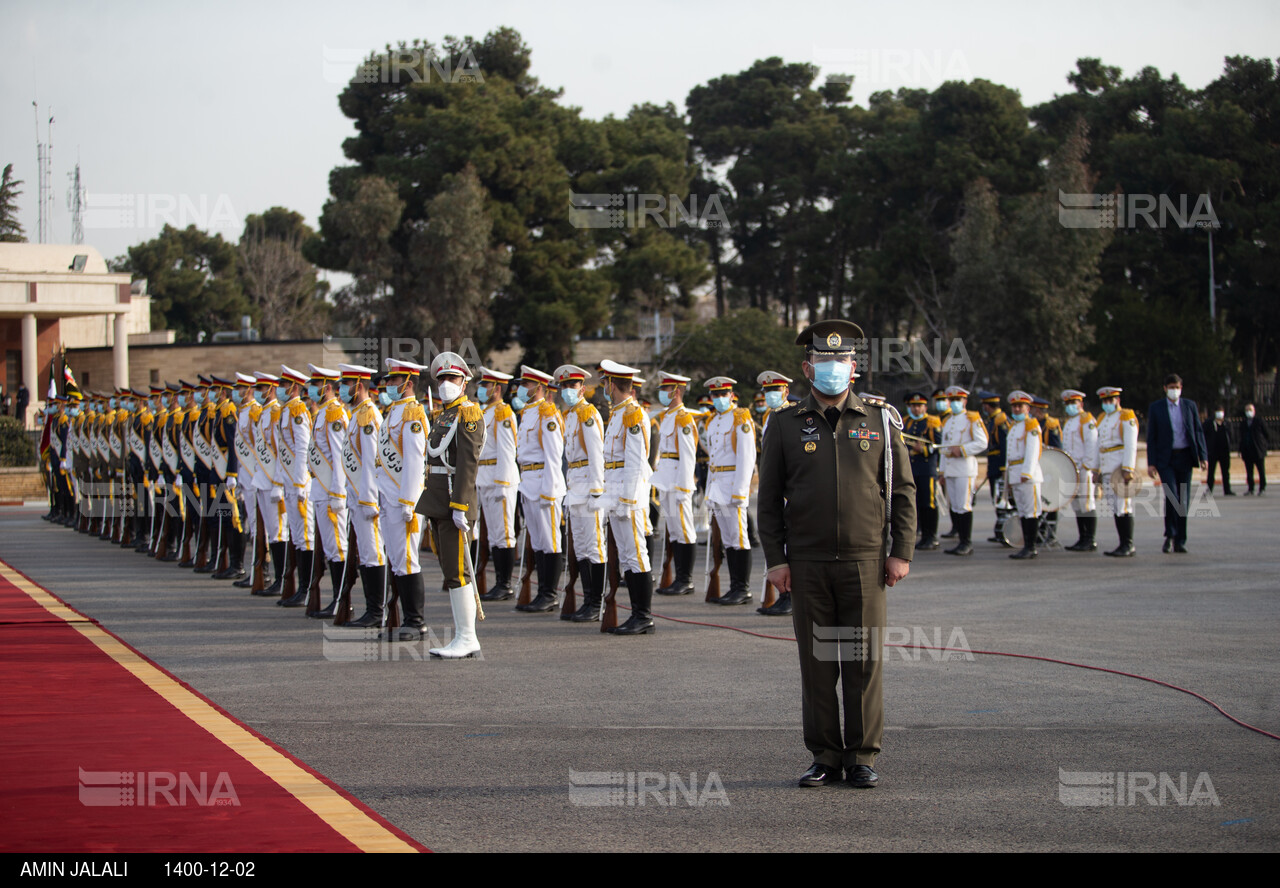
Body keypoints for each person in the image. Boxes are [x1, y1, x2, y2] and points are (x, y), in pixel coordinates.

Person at [758, 319, 915, 789]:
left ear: (854, 369)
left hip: (867, 561)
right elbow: (768, 501)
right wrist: (776, 559)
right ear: (809, 368)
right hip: (805, 563)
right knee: (818, 663)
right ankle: (825, 755)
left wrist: (900, 551)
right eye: (824, 362)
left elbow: (902, 490)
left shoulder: (880, 420)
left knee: (863, 663)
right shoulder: (784, 424)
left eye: (841, 361)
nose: (833, 369)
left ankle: (862, 755)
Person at [416, 353, 485, 659]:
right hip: (438, 499)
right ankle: (461, 635)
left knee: (458, 571)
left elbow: (468, 464)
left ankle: (467, 637)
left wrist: (460, 505)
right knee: (449, 569)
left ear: (464, 382)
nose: (445, 384)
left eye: (452, 379)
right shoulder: (443, 416)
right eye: (441, 379)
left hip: (453, 500)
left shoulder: (468, 414)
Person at [598, 360, 655, 636]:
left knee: (635, 554)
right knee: (626, 555)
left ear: (612, 384)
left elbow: (634, 462)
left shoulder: (633, 414)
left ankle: (643, 616)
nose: (604, 388)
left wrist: (628, 500)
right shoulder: (618, 413)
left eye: (605, 382)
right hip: (614, 492)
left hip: (627, 495)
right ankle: (636, 614)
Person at [512, 365, 567, 613]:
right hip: (528, 481)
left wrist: (550, 490)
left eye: (526, 385)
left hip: (544, 481)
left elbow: (554, 456)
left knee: (550, 540)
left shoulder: (547, 413)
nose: (522, 389)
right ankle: (542, 591)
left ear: (539, 387)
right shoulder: (529, 413)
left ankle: (549, 594)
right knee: (538, 541)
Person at [555, 364, 608, 622]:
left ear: (582, 388)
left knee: (594, 547)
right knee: (582, 547)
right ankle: (588, 601)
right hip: (575, 486)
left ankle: (596, 603)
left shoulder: (588, 414)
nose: (567, 390)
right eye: (564, 386)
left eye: (571, 386)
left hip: (588, 485)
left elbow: (596, 454)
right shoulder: (571, 415)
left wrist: (597, 491)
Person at [1146, 374, 1208, 554]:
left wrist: (1203, 456)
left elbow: (1197, 430)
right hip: (1166, 459)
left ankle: (1180, 539)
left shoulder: (1189, 406)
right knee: (1172, 496)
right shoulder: (1156, 408)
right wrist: (1151, 463)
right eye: (1171, 387)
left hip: (1185, 457)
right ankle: (1170, 535)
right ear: (1165, 388)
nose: (1175, 390)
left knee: (1183, 499)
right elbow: (1152, 436)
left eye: (1177, 387)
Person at [474, 367, 520, 603]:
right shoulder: (486, 413)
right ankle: (500, 582)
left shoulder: (503, 413)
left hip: (499, 479)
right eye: (481, 385)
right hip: (484, 476)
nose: (481, 389)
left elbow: (507, 450)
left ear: (497, 389)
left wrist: (502, 484)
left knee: (503, 534)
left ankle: (505, 584)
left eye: (486, 385)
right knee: (493, 535)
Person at [939, 386, 988, 556]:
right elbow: (944, 448)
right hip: (951, 469)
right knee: (956, 506)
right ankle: (960, 541)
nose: (954, 404)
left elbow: (982, 442)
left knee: (964, 506)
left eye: (957, 400)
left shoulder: (972, 419)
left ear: (965, 401)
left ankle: (966, 542)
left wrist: (963, 450)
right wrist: (942, 471)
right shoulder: (948, 421)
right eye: (951, 400)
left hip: (964, 468)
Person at [1003, 391, 1043, 560]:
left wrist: (1027, 472)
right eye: (1014, 406)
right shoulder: (1014, 427)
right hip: (1015, 472)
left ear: (1028, 408)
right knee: (1022, 511)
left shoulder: (1031, 425)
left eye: (1020, 406)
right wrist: (1009, 478)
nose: (1017, 409)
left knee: (1030, 512)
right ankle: (1026, 545)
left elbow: (1033, 451)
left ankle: (1031, 546)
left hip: (1027, 474)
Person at [1060, 390, 1100, 551]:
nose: (1070, 407)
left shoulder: (1086, 420)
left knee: (1086, 502)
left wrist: (1087, 465)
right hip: (1072, 467)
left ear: (1080, 404)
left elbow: (1092, 444)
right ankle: (1082, 537)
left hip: (1083, 468)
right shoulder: (1069, 422)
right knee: (1077, 504)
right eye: (1068, 404)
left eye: (1073, 403)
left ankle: (1090, 539)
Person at [903, 392, 941, 551]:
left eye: (919, 406)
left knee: (928, 503)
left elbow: (938, 445)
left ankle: (930, 536)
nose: (916, 409)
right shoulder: (906, 421)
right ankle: (923, 535)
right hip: (912, 468)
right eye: (913, 406)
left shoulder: (932, 422)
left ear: (925, 407)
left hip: (927, 468)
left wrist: (924, 449)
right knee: (917, 503)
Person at [1203, 407, 1235, 496]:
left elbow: (1231, 435)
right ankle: (1209, 490)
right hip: (1213, 451)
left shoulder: (1227, 423)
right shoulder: (1209, 423)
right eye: (1218, 412)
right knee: (1211, 472)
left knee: (1225, 472)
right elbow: (1203, 434)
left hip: (1224, 451)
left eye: (1221, 412)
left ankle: (1227, 490)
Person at [1239, 404, 1269, 495]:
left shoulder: (1259, 421)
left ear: (1254, 411)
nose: (1249, 412)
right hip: (1247, 450)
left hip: (1258, 450)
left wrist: (1263, 446)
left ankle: (1262, 488)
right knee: (1249, 471)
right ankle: (1251, 488)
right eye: (1247, 410)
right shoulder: (1243, 423)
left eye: (1250, 410)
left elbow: (1266, 434)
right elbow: (1241, 436)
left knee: (1261, 470)